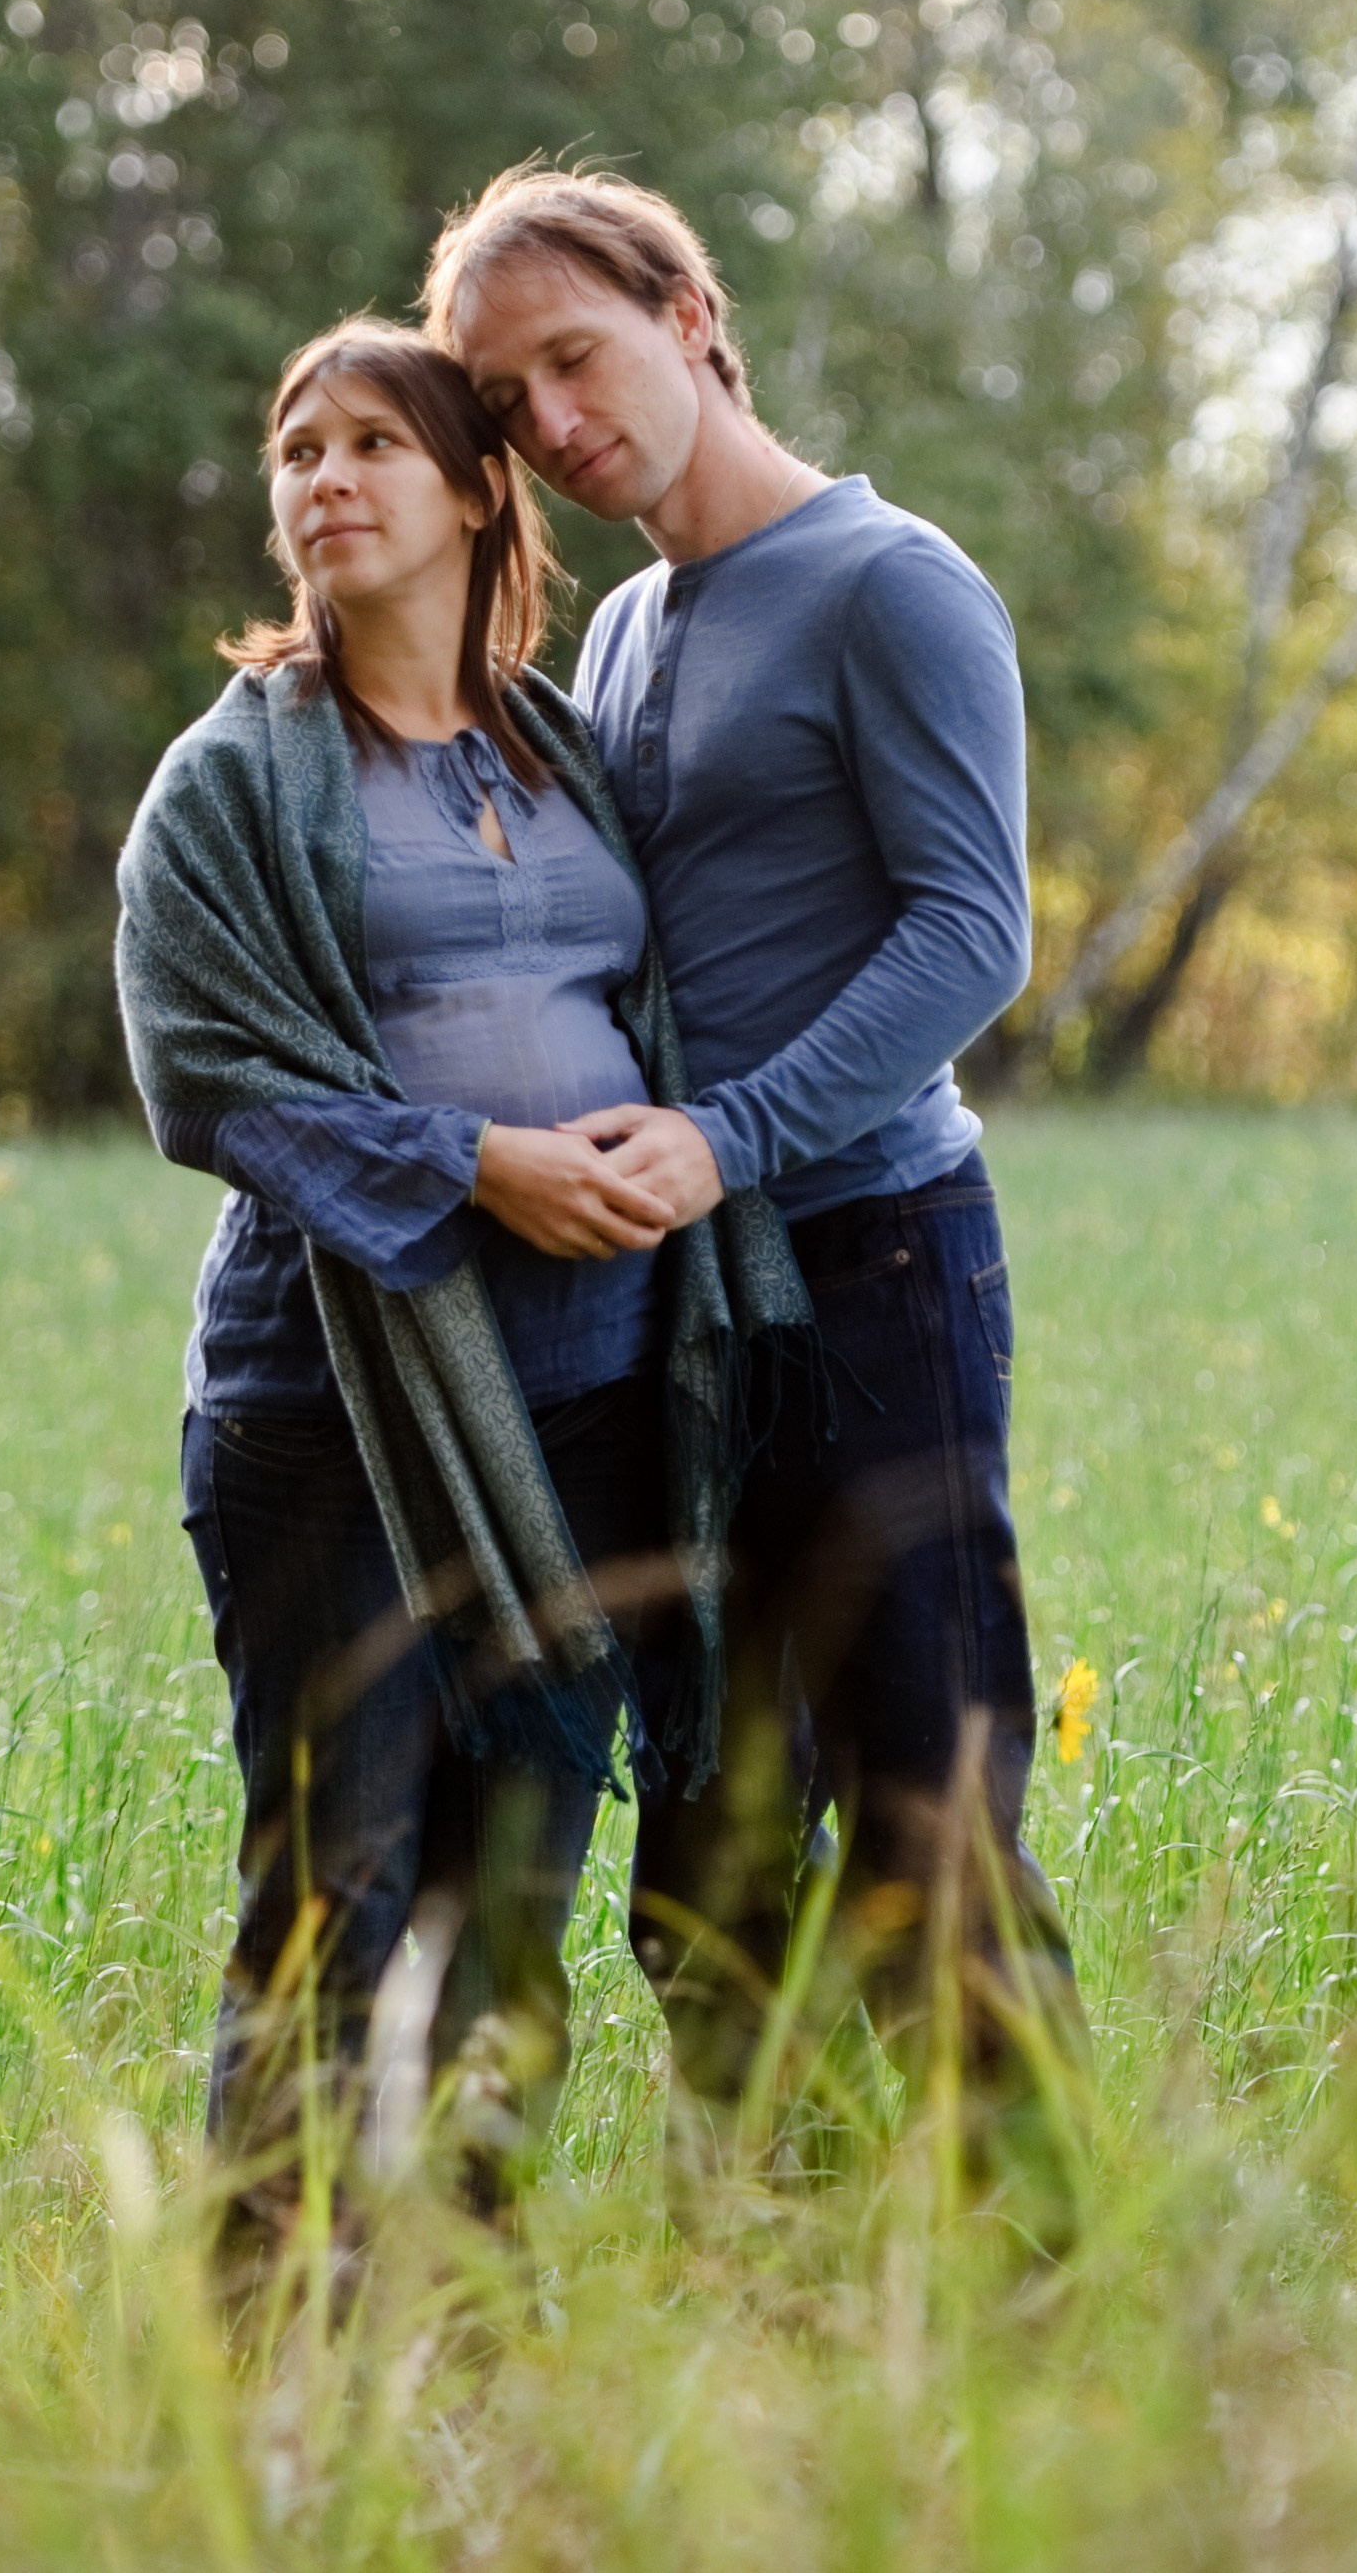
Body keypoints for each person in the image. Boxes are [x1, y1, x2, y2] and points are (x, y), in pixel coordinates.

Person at [424, 166, 1088, 2221]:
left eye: (576, 356)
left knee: (924, 1814)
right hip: (675, 1306)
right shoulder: (626, 628)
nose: (553, 420)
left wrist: (730, 1133)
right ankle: (777, 2270)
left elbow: (975, 930)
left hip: (875, 1262)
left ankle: (1045, 2280)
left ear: (691, 319)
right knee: (712, 1832)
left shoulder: (891, 582)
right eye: (505, 399)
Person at [113, 319, 811, 2249]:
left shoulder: (558, 743)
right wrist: (482, 1164)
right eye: (297, 450)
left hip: (588, 1396)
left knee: (511, 1891)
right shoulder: (235, 776)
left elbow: (658, 993)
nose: (323, 479)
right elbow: (202, 1069)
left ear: (477, 488)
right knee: (336, 1886)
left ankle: (465, 2315)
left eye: (372, 444)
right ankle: (274, 2328)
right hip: (335, 1407)